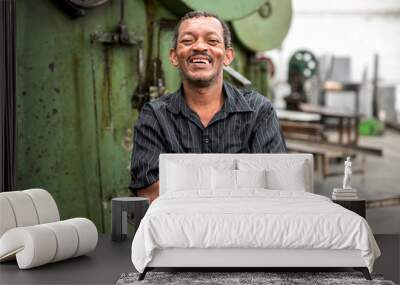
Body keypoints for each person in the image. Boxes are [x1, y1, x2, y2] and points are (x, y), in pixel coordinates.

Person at [129, 11, 287, 202]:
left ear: (228, 56)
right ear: (173, 56)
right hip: (179, 230)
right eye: (188, 41)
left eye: (212, 41)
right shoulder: (155, 116)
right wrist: (237, 179)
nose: (200, 47)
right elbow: (150, 193)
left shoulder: (259, 112)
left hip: (244, 229)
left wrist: (181, 182)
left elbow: (273, 188)